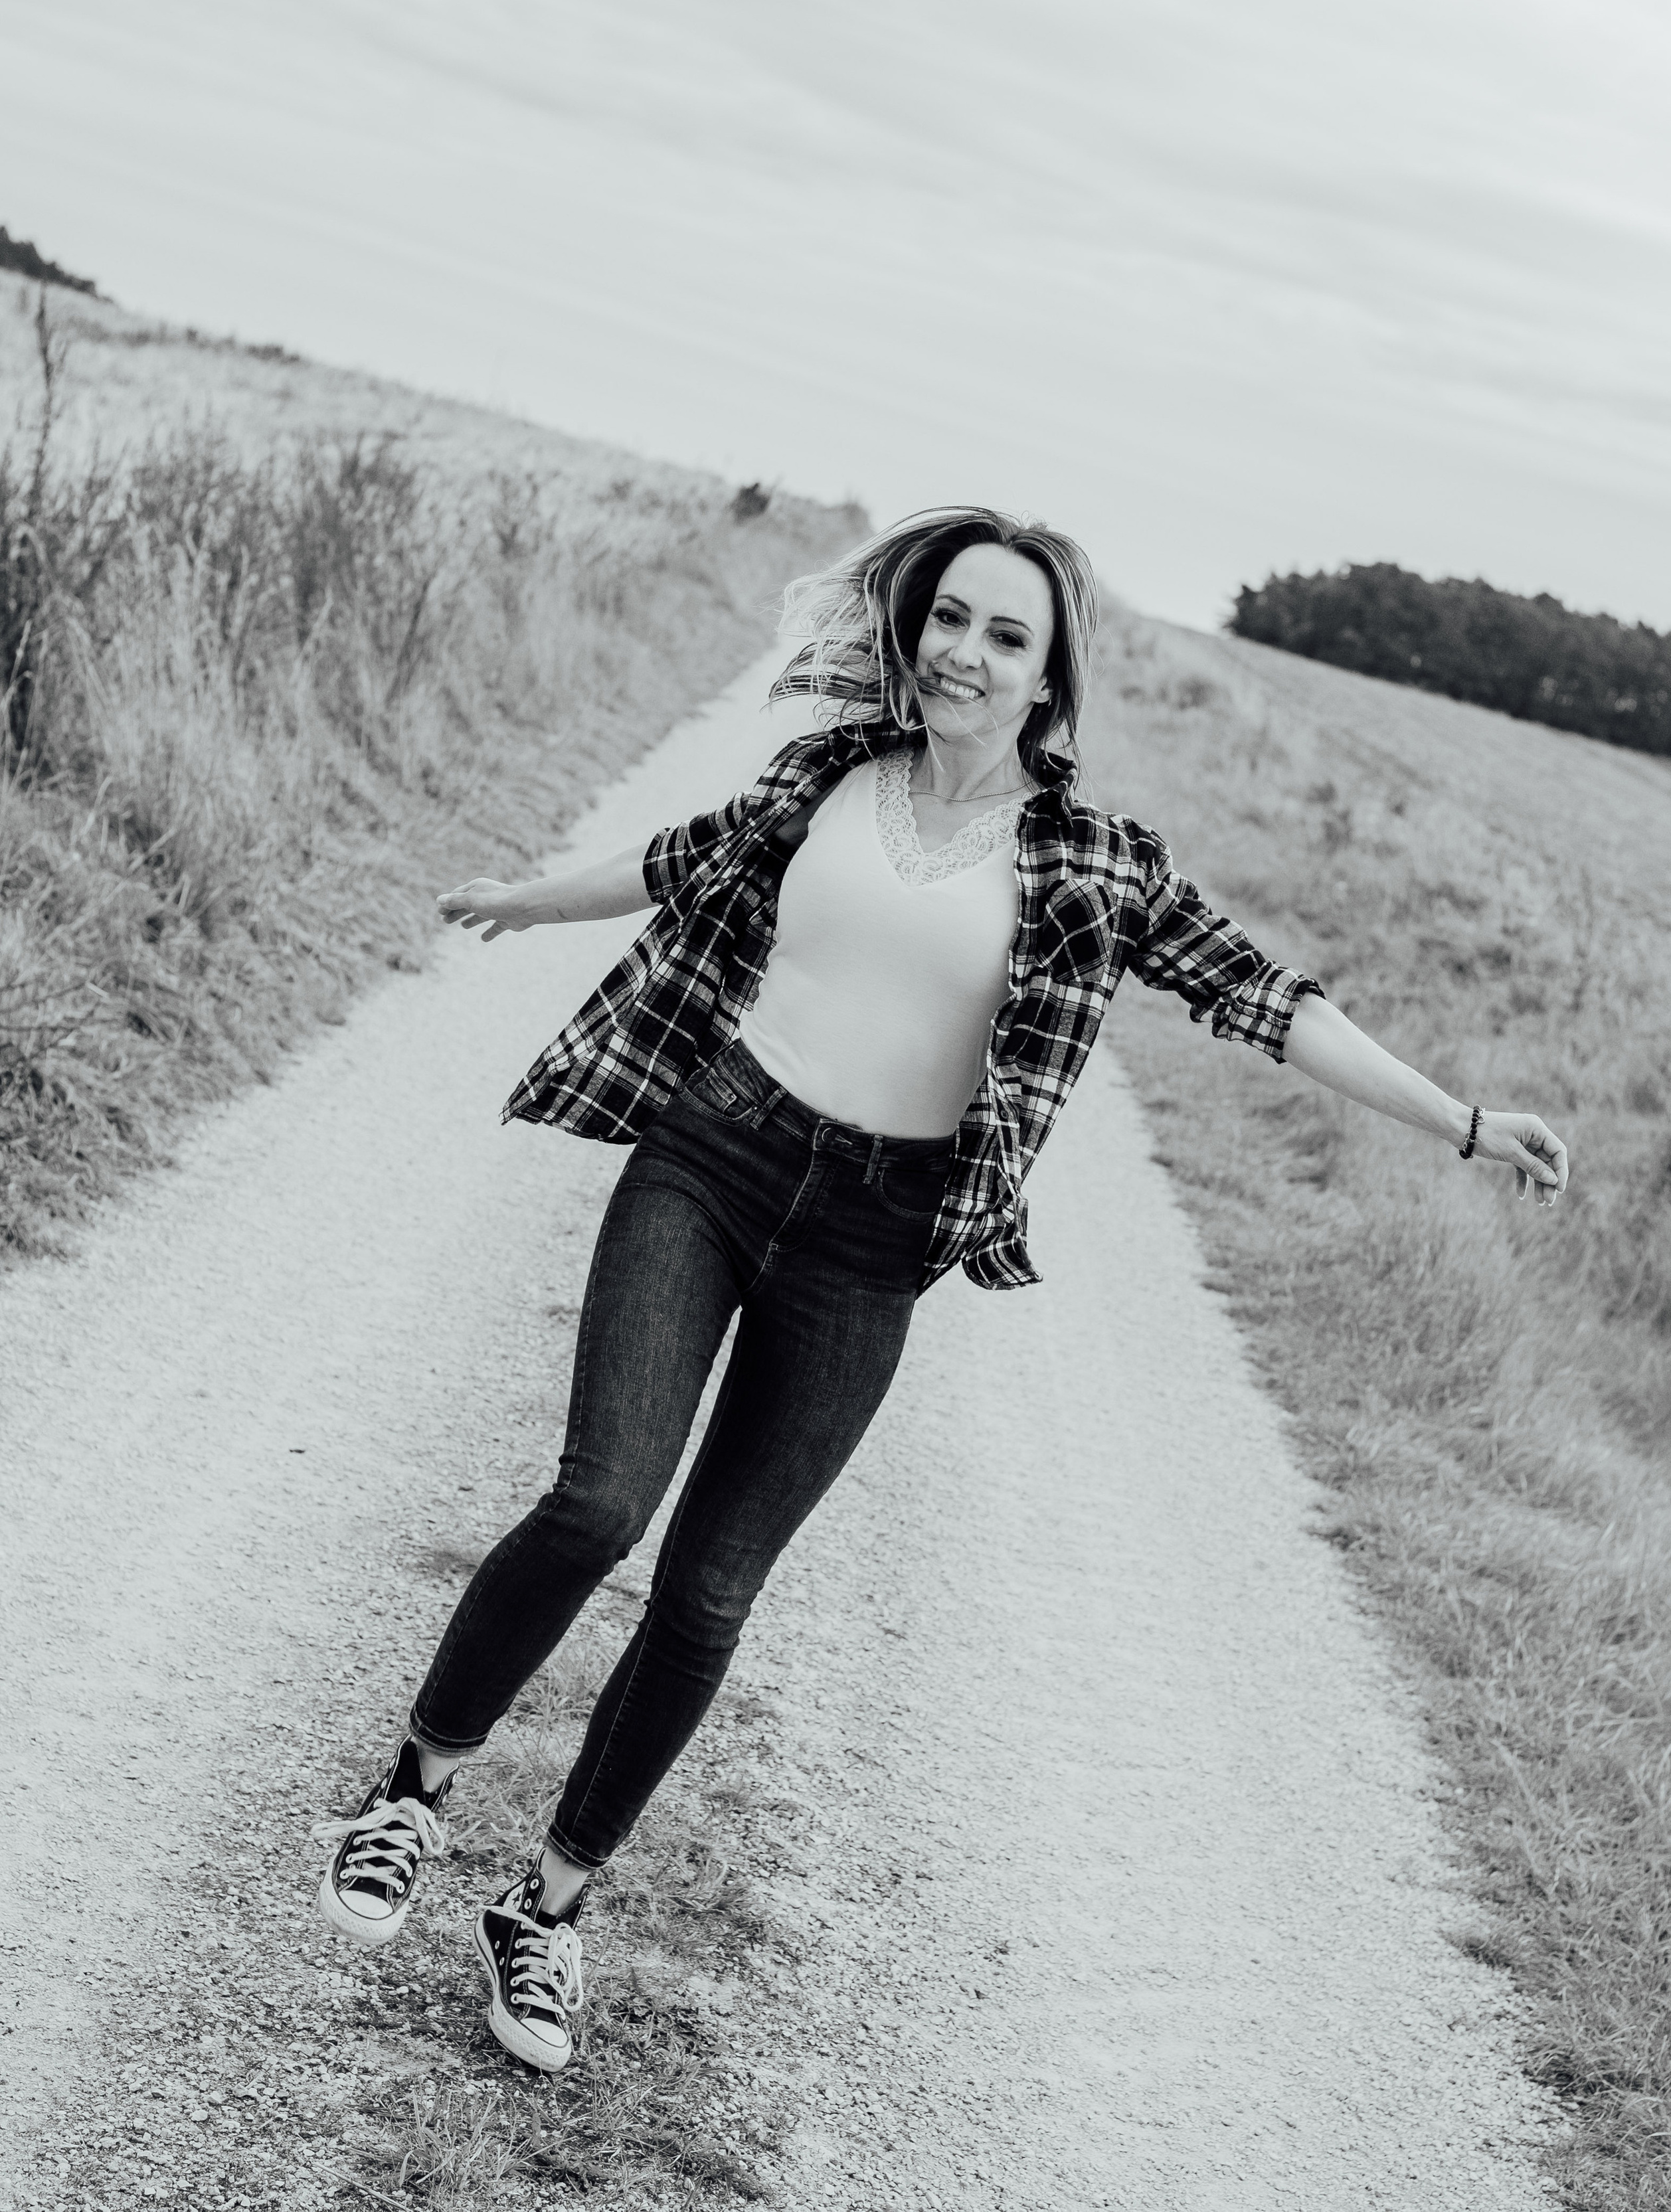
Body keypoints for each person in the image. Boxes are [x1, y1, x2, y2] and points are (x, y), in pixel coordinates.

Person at [315, 506, 1569, 2072]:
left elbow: (1265, 1002)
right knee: (596, 1505)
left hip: (872, 1242)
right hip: (711, 1158)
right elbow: (674, 863)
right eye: (950, 619)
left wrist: (1457, 1119)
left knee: (710, 1595)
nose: (963, 653)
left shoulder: (1099, 865)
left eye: (1004, 635)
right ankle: (410, 1795)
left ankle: (550, 1910)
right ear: (915, 629)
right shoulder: (826, 775)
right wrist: (525, 897)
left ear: (1049, 680)